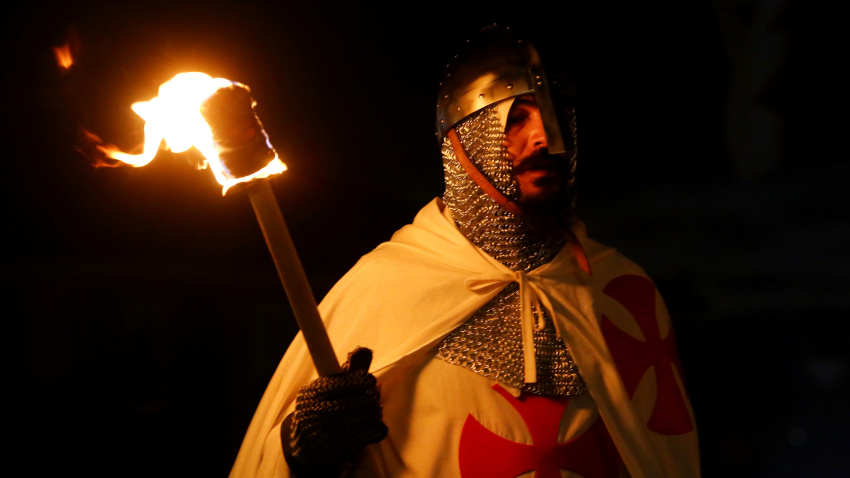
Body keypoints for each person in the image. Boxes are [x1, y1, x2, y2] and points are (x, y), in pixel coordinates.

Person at [231, 26, 700, 478]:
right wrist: (306, 448)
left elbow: (662, 454)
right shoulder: (388, 285)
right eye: (516, 118)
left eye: (556, 117)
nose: (544, 139)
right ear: (464, 142)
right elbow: (275, 462)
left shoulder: (620, 289)